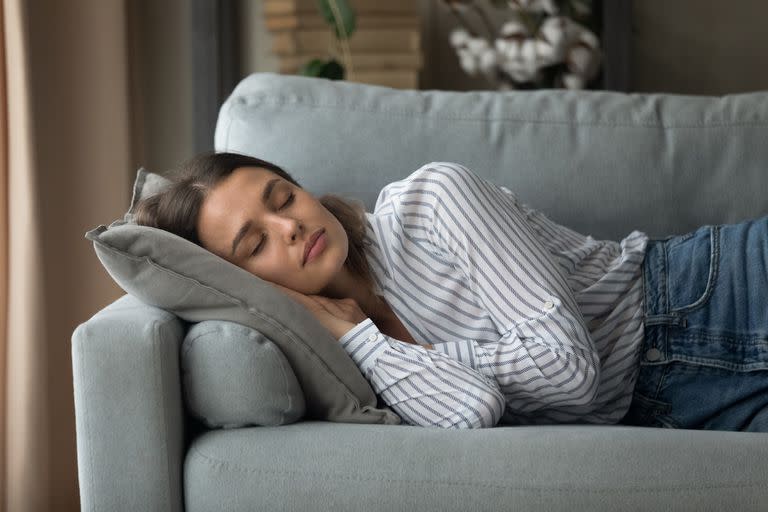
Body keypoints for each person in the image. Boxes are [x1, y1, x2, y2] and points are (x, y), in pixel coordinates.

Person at [135, 152, 768, 431]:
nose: (291, 225)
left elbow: (570, 370)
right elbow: (472, 412)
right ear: (247, 282)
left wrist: (415, 356)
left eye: (283, 197)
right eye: (255, 245)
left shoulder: (432, 200)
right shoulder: (338, 350)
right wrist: (362, 340)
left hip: (707, 293)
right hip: (673, 409)